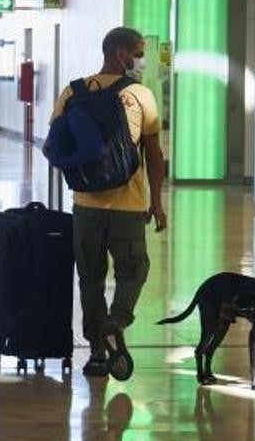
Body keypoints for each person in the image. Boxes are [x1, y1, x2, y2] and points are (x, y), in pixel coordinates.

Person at [49, 27, 167, 380]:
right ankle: (115, 322)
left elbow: (58, 141)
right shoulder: (140, 95)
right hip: (128, 207)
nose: (141, 58)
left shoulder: (73, 91)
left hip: (86, 204)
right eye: (139, 51)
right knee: (134, 271)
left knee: (90, 278)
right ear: (121, 54)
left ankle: (98, 354)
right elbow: (154, 154)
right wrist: (157, 203)